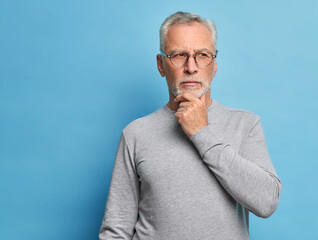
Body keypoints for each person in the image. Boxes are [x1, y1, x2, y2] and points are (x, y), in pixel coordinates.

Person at [99, 11, 282, 240]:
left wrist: (202, 132)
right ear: (161, 65)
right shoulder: (136, 134)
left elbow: (267, 202)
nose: (191, 67)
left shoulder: (246, 125)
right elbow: (116, 230)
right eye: (179, 55)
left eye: (202, 55)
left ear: (214, 65)